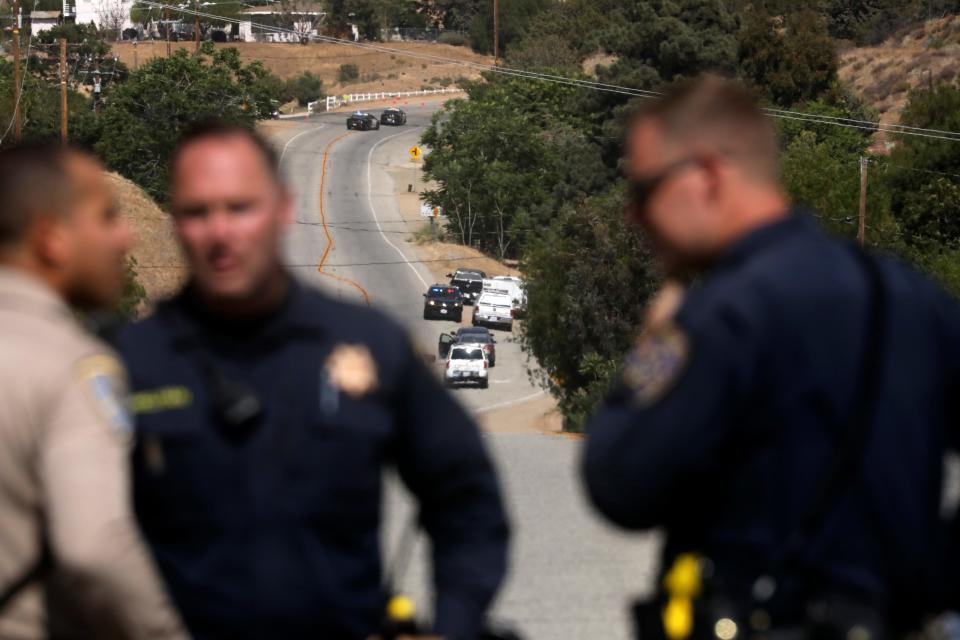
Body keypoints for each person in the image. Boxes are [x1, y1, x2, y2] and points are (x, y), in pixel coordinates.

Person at [582, 76, 960, 639]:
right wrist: (933, 577)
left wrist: (654, 344)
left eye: (644, 192)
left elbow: (619, 481)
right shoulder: (908, 296)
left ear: (707, 174)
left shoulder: (723, 315)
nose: (635, 216)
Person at [112, 122, 510, 640]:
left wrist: (455, 623)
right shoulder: (129, 364)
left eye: (240, 208)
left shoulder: (368, 344)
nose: (220, 233)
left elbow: (466, 496)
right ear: (173, 222)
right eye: (196, 213)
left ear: (282, 208)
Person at [0, 145, 187, 639]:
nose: (125, 236)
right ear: (51, 237)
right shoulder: (71, 366)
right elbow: (96, 548)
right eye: (105, 217)